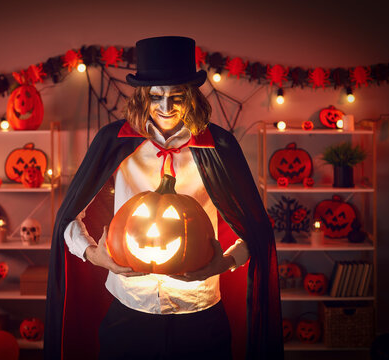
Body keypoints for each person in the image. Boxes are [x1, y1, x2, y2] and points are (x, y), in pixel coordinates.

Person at [44, 36, 283, 360]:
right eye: (157, 97)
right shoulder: (114, 142)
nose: (166, 107)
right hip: (129, 310)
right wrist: (92, 254)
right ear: (144, 97)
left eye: (177, 96)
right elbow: (68, 217)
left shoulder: (219, 146)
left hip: (198, 309)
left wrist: (225, 262)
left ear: (192, 96)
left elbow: (255, 228)